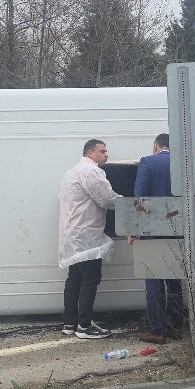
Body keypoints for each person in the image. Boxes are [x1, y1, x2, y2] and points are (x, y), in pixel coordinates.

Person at [58, 139, 120, 339]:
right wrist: (127, 203)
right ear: (90, 153)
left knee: (74, 278)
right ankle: (84, 326)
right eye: (103, 151)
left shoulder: (71, 172)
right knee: (90, 278)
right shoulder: (91, 171)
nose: (106, 155)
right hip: (86, 236)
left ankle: (70, 323)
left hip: (73, 234)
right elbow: (106, 199)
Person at [133, 133, 183, 345]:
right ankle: (175, 327)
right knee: (173, 279)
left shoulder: (148, 162)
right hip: (177, 229)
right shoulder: (183, 165)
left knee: (153, 279)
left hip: (152, 231)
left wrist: (135, 229)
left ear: (156, 146)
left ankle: (157, 329)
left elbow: (140, 198)